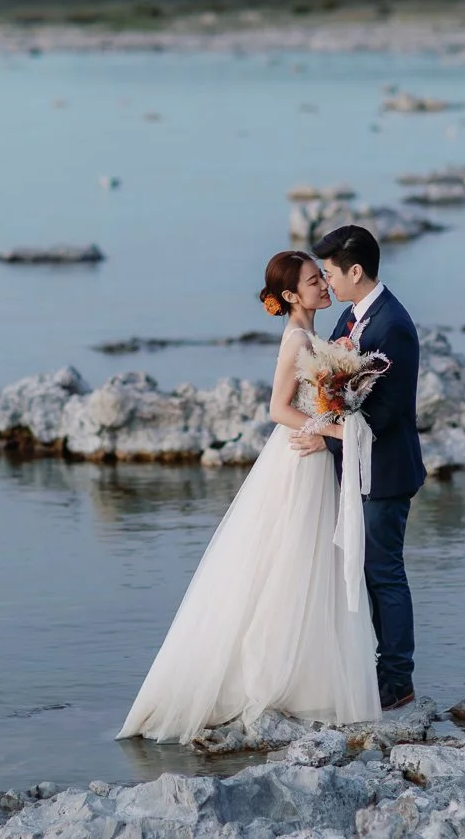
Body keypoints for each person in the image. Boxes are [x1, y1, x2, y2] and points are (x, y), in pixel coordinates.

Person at [116, 250, 381, 744]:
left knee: (305, 565)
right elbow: (278, 409)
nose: (324, 285)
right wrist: (337, 431)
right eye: (313, 281)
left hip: (312, 458)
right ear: (290, 295)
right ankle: (270, 678)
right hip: (299, 461)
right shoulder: (297, 339)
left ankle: (305, 677)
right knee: (291, 563)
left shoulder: (313, 335)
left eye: (322, 277)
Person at [292, 224, 425, 711]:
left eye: (329, 273)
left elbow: (384, 413)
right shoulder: (353, 316)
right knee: (365, 572)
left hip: (384, 470)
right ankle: (371, 667)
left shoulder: (392, 325)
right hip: (357, 467)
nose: (326, 282)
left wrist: (325, 432)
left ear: (355, 271)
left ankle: (397, 679)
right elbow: (331, 381)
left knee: (383, 573)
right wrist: (325, 416)